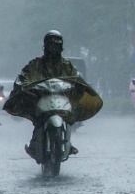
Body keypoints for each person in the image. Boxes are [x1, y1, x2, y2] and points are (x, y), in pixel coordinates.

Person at [8, 30, 88, 160]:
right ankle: (35, 143)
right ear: (45, 46)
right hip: (41, 98)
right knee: (38, 119)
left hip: (62, 98)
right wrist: (23, 84)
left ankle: (68, 143)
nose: (53, 48)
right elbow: (23, 75)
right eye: (51, 45)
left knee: (70, 114)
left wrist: (79, 84)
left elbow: (76, 77)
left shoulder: (67, 65)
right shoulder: (36, 63)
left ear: (61, 47)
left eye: (56, 45)